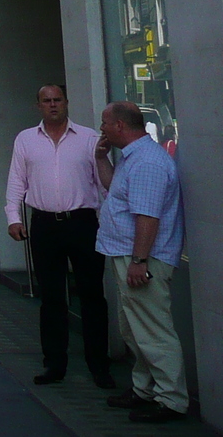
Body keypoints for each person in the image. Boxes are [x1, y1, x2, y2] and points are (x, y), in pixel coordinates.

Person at [4, 84, 110, 388]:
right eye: (46, 101)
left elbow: (103, 185)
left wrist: (107, 222)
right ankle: (54, 364)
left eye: (57, 100)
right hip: (45, 225)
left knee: (91, 295)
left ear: (66, 102)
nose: (53, 105)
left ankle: (98, 366)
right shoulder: (25, 139)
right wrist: (13, 218)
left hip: (83, 223)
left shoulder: (89, 138)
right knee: (51, 298)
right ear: (38, 105)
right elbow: (16, 182)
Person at [95, 101, 188, 423]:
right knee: (136, 330)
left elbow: (147, 217)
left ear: (120, 125)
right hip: (129, 255)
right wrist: (100, 159)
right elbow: (114, 192)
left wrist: (139, 261)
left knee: (152, 330)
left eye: (105, 123)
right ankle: (144, 390)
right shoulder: (132, 158)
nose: (102, 129)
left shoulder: (147, 161)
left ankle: (171, 400)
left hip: (142, 259)